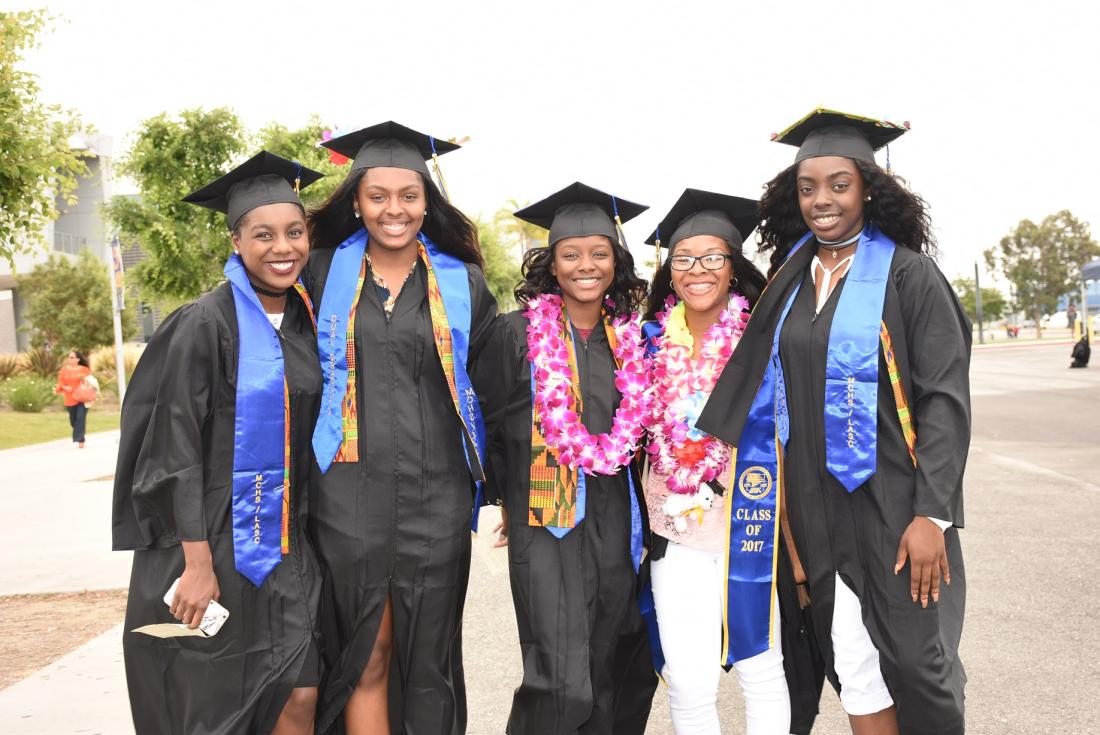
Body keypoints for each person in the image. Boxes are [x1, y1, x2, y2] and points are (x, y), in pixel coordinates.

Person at [697, 109, 970, 735]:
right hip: (816, 504)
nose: (822, 200)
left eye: (839, 184)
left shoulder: (908, 275)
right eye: (807, 186)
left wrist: (933, 514)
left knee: (918, 662)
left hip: (895, 504)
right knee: (852, 658)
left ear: (869, 188)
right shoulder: (789, 284)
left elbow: (945, 402)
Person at [111, 152, 327, 734]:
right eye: (264, 234)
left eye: (294, 232)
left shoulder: (308, 324)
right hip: (213, 541)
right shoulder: (203, 323)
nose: (282, 247)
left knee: (299, 694)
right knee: (218, 705)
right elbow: (172, 448)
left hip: (285, 545)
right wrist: (197, 564)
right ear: (235, 240)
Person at [303, 121, 497, 734]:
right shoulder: (318, 272)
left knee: (430, 657)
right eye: (378, 195)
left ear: (426, 200)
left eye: (408, 196)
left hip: (436, 493)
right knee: (368, 649)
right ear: (356, 200)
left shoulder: (461, 282)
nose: (394, 209)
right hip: (346, 494)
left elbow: (494, 387)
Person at [482, 182, 657, 734]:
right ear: (551, 266)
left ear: (616, 262)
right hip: (544, 517)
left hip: (615, 515)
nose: (587, 265)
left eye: (599, 253)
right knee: (559, 678)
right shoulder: (514, 336)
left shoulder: (634, 342)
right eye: (571, 255)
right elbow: (487, 422)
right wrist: (505, 496)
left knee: (606, 668)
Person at [638, 189, 788, 735]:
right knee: (689, 678)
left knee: (758, 664)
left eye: (712, 258)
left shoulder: (765, 336)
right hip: (672, 528)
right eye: (683, 258)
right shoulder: (646, 342)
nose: (697, 270)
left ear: (733, 266)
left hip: (752, 523)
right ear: (669, 269)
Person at [55, 349, 91, 447]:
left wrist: (84, 380)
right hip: (70, 399)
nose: (69, 359)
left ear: (77, 359)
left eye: (72, 357)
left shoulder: (84, 370)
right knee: (73, 420)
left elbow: (90, 382)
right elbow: (60, 382)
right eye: (69, 357)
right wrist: (64, 387)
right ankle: (79, 436)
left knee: (81, 418)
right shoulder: (64, 370)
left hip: (82, 398)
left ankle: (81, 440)